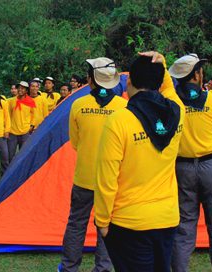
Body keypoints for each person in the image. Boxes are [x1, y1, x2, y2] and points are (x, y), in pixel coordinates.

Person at [95, 51, 185, 271]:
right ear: (159, 81)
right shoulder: (177, 112)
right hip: (167, 218)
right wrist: (160, 63)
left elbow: (107, 177)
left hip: (129, 222)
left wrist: (102, 221)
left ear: (129, 81)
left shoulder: (119, 120)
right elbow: (169, 90)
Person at [59, 57, 126, 272]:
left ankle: (69, 267)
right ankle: (104, 268)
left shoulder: (78, 104)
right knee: (107, 225)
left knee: (76, 223)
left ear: (90, 79)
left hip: (84, 177)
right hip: (112, 179)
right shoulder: (124, 107)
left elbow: (75, 142)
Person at [168, 54, 212, 272]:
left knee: (184, 227)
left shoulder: (172, 102)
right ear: (196, 74)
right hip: (211, 165)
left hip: (182, 167)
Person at [7, 81, 35, 162]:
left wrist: (31, 126)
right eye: (19, 88)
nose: (20, 90)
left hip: (25, 131)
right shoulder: (11, 101)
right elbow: (8, 115)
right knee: (10, 153)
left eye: (22, 88)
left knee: (23, 153)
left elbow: (33, 115)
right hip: (12, 131)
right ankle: (9, 171)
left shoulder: (31, 101)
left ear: (26, 90)